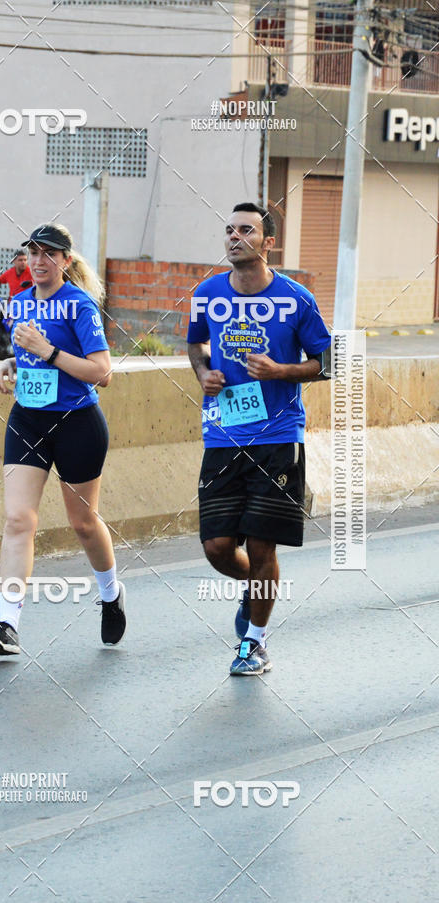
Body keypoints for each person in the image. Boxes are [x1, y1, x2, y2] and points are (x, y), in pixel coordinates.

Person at [187, 202, 331, 675]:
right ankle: (258, 593)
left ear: (268, 242)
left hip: (277, 436)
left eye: (246, 230)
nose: (234, 237)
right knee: (217, 547)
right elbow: (195, 343)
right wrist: (204, 372)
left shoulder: (295, 298)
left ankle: (254, 642)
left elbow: (327, 361)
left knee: (264, 546)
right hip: (223, 436)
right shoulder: (207, 294)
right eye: (229, 230)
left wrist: (281, 370)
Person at [0, 224, 126, 656]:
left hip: (77, 422)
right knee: (18, 519)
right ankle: (7, 623)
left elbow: (103, 372)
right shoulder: (19, 302)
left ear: (66, 261)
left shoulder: (80, 306)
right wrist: (8, 365)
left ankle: (111, 592)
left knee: (83, 523)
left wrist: (47, 351)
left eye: (49, 254)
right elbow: (29, 359)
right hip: (28, 420)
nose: (39, 261)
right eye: (33, 253)